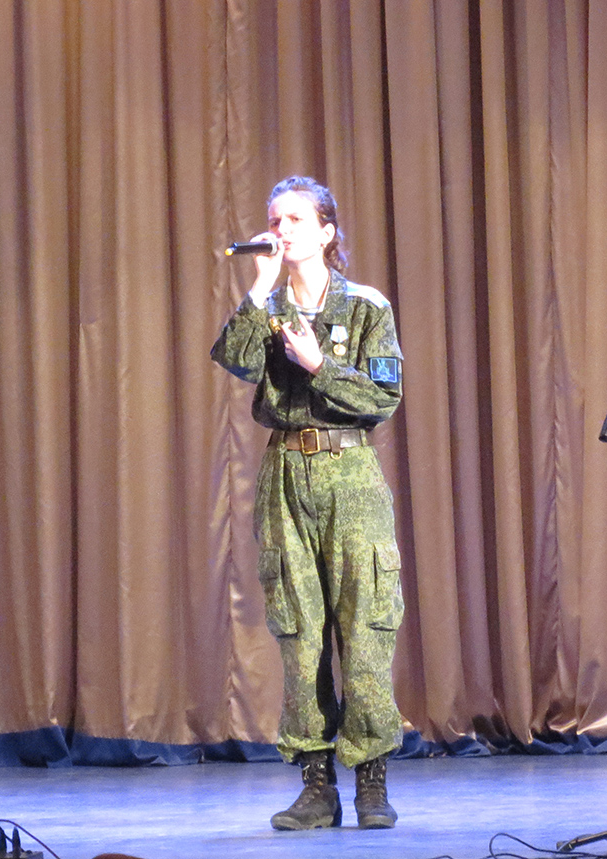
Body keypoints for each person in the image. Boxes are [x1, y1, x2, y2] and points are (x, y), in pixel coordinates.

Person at [211, 176, 406, 830]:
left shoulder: (367, 306)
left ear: (326, 231)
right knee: (299, 632)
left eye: (295, 219)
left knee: (367, 626)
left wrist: (322, 365)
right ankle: (316, 785)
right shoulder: (267, 307)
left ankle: (372, 780)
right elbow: (234, 360)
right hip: (287, 472)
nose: (282, 230)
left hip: (350, 471)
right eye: (275, 220)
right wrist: (261, 285)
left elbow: (384, 397)